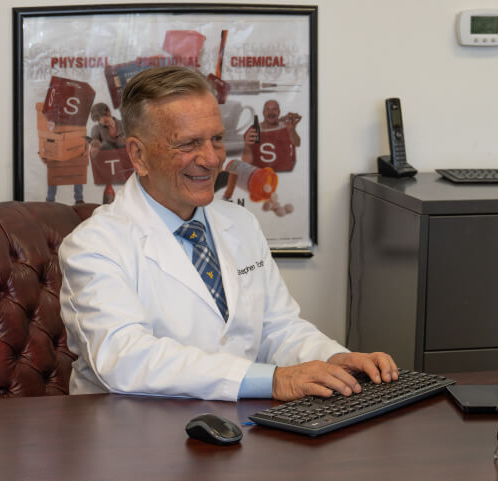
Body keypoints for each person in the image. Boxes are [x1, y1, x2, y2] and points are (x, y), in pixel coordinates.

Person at [58, 66, 398, 402]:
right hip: (134, 440)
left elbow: (277, 329)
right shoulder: (93, 246)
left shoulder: (241, 223)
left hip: (238, 429)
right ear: (138, 154)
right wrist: (271, 380)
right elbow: (125, 359)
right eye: (189, 143)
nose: (211, 159)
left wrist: (331, 359)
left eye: (217, 139)